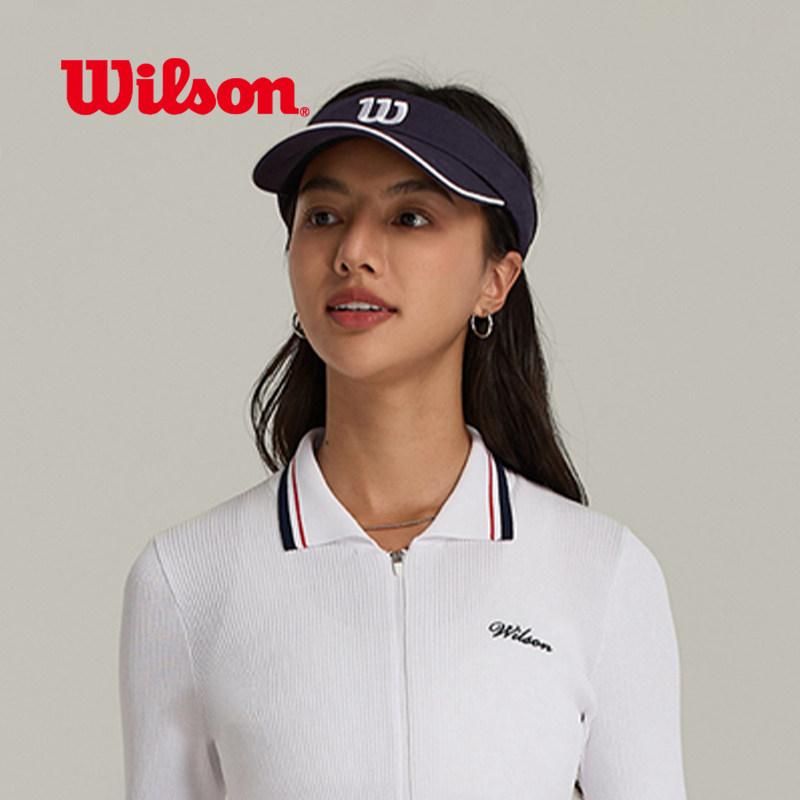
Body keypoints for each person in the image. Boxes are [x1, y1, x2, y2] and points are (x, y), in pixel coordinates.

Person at [119, 78, 687, 800]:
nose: (353, 251)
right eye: (323, 215)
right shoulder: (186, 579)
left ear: (496, 280)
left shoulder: (602, 573)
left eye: (410, 217)